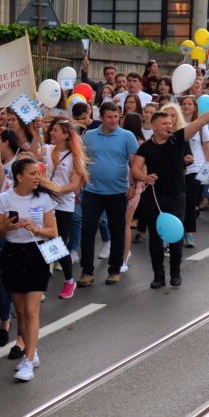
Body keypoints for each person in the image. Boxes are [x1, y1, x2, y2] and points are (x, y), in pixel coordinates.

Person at [133, 97, 209, 291]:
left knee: (176, 235)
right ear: (154, 126)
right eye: (165, 123)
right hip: (155, 197)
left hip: (177, 195)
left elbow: (200, 121)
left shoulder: (177, 139)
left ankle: (175, 273)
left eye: (170, 123)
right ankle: (158, 275)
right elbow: (135, 168)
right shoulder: (146, 147)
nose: (169, 126)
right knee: (156, 237)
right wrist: (145, 177)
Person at [0, 157, 61, 383]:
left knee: (32, 310)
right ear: (19, 176)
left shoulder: (43, 198)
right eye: (33, 173)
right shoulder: (4, 199)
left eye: (38, 173)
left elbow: (53, 231)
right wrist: (7, 225)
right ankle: (32, 349)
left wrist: (36, 228)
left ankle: (29, 360)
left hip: (36, 253)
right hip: (12, 255)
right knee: (21, 311)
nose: (37, 177)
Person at [73, 102, 136, 288]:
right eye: (110, 117)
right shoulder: (89, 136)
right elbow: (82, 163)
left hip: (118, 192)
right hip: (92, 191)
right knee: (87, 231)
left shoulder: (127, 136)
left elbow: (134, 164)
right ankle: (87, 272)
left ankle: (114, 269)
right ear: (101, 118)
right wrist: (78, 187)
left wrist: (133, 185)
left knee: (117, 231)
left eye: (116, 116)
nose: (114, 120)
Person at [39, 118, 84, 298]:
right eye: (52, 130)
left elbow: (74, 184)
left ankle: (69, 281)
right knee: (45, 243)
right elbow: (33, 151)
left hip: (64, 205)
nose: (52, 133)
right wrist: (35, 130)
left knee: (57, 244)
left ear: (66, 135)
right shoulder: (47, 150)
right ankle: (41, 285)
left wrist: (57, 189)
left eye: (56, 130)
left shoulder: (75, 157)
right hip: (45, 202)